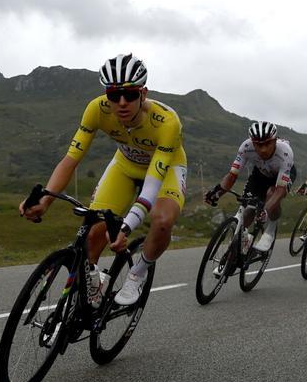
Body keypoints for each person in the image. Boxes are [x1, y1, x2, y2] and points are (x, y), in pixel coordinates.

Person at [18, 53, 186, 306]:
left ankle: (137, 273)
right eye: (114, 95)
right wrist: (45, 201)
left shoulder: (167, 122)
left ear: (143, 93)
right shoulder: (96, 109)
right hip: (125, 165)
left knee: (162, 221)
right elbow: (70, 160)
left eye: (129, 94)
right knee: (94, 228)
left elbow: (152, 185)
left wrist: (126, 228)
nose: (121, 103)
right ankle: (92, 286)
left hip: (166, 169)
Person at [205, 120, 296, 261]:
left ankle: (270, 230)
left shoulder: (285, 152)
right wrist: (217, 192)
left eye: (267, 143)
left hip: (280, 178)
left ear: (275, 141)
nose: (263, 149)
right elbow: (232, 175)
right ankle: (239, 247)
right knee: (248, 209)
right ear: (252, 142)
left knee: (271, 195)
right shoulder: (246, 147)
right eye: (258, 145)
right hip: (260, 175)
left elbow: (280, 190)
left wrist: (266, 211)